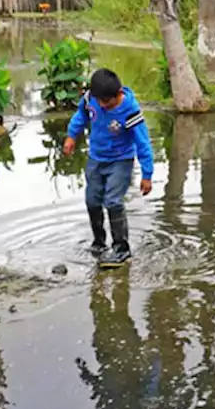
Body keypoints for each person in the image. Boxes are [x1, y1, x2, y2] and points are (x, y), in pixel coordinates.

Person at [64, 68, 154, 267]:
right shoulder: (91, 100)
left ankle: (121, 248)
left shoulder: (129, 110)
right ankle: (99, 242)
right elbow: (81, 115)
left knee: (113, 201)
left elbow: (143, 143)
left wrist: (147, 174)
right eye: (100, 102)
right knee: (92, 200)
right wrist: (72, 135)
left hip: (121, 160)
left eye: (108, 102)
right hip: (96, 158)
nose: (104, 106)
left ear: (119, 93)